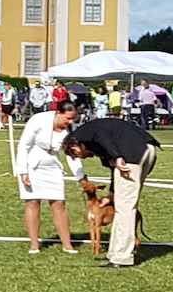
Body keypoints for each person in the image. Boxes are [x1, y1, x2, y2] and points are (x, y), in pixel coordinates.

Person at [63, 115, 160, 269]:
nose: (84, 158)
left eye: (78, 155)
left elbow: (102, 136)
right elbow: (113, 169)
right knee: (122, 204)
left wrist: (117, 156)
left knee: (125, 208)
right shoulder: (97, 143)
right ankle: (114, 253)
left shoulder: (84, 134)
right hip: (144, 149)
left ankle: (122, 257)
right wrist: (111, 195)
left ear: (75, 148)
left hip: (132, 153)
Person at [16, 99, 80, 255]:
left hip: (53, 167)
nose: (70, 122)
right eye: (68, 118)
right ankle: (34, 244)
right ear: (58, 113)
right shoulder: (38, 120)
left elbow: (72, 154)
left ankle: (67, 244)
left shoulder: (68, 130)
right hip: (32, 166)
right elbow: (24, 146)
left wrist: (81, 176)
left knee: (59, 203)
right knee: (32, 202)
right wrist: (23, 171)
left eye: (73, 119)